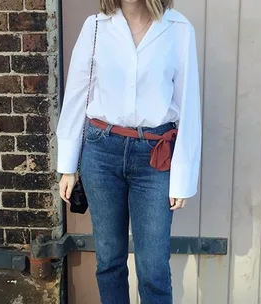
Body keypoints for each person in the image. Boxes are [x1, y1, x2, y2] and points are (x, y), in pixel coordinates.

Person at [56, 0, 201, 302]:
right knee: (109, 260)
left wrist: (183, 178)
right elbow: (77, 95)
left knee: (153, 269)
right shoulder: (96, 27)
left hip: (154, 158)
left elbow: (189, 106)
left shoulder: (178, 30)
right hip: (101, 153)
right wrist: (68, 165)